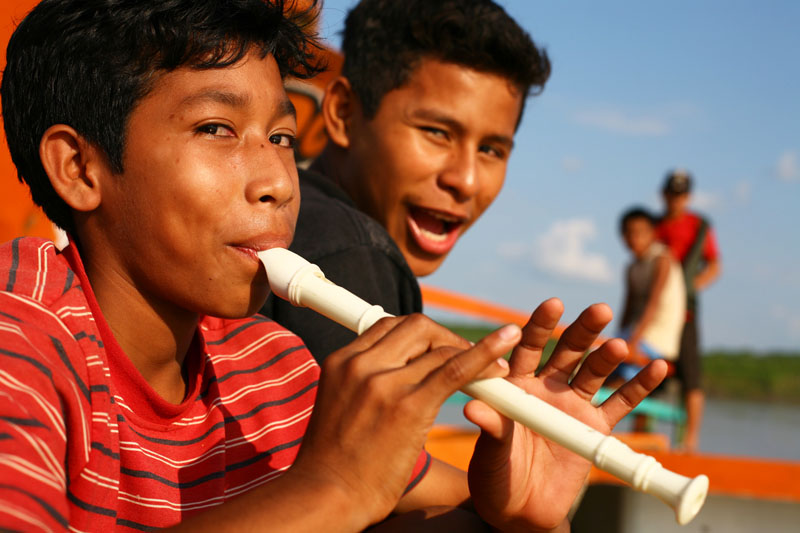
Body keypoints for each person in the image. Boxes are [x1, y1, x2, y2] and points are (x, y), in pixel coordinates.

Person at [0, 0, 667, 531]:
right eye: (217, 129)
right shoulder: (19, 341)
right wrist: (332, 486)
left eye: (283, 138)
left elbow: (411, 511)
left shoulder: (269, 362)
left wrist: (512, 517)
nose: (277, 182)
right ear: (79, 166)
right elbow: (341, 495)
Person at [261, 0, 551, 360]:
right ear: (344, 113)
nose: (467, 181)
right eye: (436, 132)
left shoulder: (277, 223)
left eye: (491, 150)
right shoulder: (351, 253)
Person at [657, 169, 722, 453]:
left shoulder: (699, 226)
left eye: (681, 194)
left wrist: (690, 287)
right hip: (656, 314)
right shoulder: (654, 226)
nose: (676, 199)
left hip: (685, 314)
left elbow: (714, 265)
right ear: (664, 194)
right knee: (648, 371)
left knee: (691, 375)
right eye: (672, 193)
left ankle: (690, 441)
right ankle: (640, 432)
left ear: (688, 196)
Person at [614, 207, 686, 383]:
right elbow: (628, 307)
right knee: (600, 357)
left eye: (639, 233)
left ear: (653, 233)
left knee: (620, 379)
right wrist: (618, 336)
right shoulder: (631, 268)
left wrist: (633, 342)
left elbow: (653, 303)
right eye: (628, 233)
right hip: (634, 333)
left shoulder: (662, 260)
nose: (633, 238)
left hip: (657, 339)